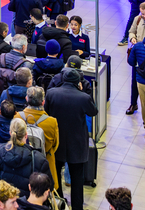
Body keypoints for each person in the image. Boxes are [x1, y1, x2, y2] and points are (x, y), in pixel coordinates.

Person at [45, 68, 97, 210]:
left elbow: (46, 112)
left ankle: (60, 203)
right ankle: (77, 207)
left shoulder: (51, 93)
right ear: (78, 83)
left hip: (57, 143)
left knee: (55, 175)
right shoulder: (83, 97)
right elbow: (93, 111)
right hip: (77, 144)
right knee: (77, 179)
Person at [0, 118, 52, 197]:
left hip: (6, 201)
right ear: (26, 135)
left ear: (10, 133)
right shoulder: (39, 159)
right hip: (27, 203)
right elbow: (49, 186)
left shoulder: (0, 152)